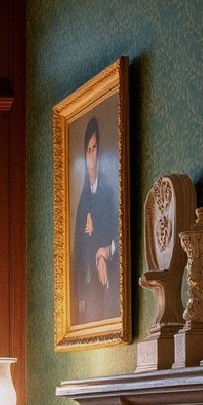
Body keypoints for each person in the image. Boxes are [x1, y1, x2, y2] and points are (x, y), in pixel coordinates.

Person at [71, 115, 121, 326]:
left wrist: (105, 252)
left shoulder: (109, 191)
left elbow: (118, 235)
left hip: (111, 287)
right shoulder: (83, 201)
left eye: (95, 149)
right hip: (90, 289)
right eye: (88, 150)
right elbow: (80, 250)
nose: (92, 156)